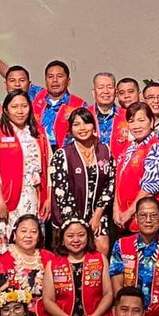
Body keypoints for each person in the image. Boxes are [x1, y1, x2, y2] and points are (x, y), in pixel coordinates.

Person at [0, 91, 50, 254]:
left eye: (24, 106)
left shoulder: (40, 134)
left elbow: (49, 168)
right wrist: (0, 201)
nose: (20, 111)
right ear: (6, 110)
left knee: (32, 243)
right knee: (8, 245)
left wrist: (48, 198)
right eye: (14, 107)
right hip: (8, 197)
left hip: (34, 197)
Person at [51, 106, 114, 252]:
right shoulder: (63, 154)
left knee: (102, 246)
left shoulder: (105, 150)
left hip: (97, 213)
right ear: (70, 129)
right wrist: (79, 226)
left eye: (86, 123)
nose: (82, 128)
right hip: (70, 217)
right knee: (76, 250)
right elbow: (61, 194)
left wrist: (97, 215)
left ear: (93, 126)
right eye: (76, 124)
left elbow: (109, 184)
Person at [111, 102, 159, 238]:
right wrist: (116, 208)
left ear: (152, 122)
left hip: (149, 220)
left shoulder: (155, 148)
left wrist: (128, 212)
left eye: (141, 120)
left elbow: (150, 188)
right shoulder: (129, 147)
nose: (136, 126)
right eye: (131, 121)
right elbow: (119, 181)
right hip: (125, 217)